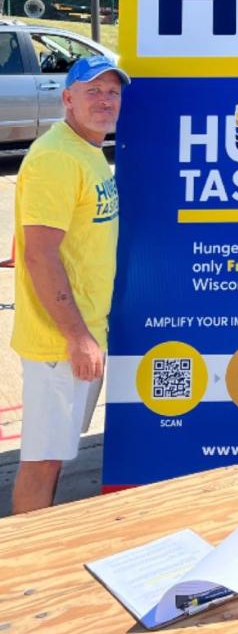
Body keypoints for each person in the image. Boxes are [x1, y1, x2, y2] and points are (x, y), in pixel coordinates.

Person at [11, 54, 130, 514]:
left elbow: (39, 238)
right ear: (67, 98)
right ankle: (24, 572)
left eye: (112, 92)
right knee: (42, 462)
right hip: (57, 344)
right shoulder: (58, 157)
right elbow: (40, 253)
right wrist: (77, 337)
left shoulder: (86, 150)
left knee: (55, 457)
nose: (105, 100)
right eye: (92, 91)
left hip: (77, 335)